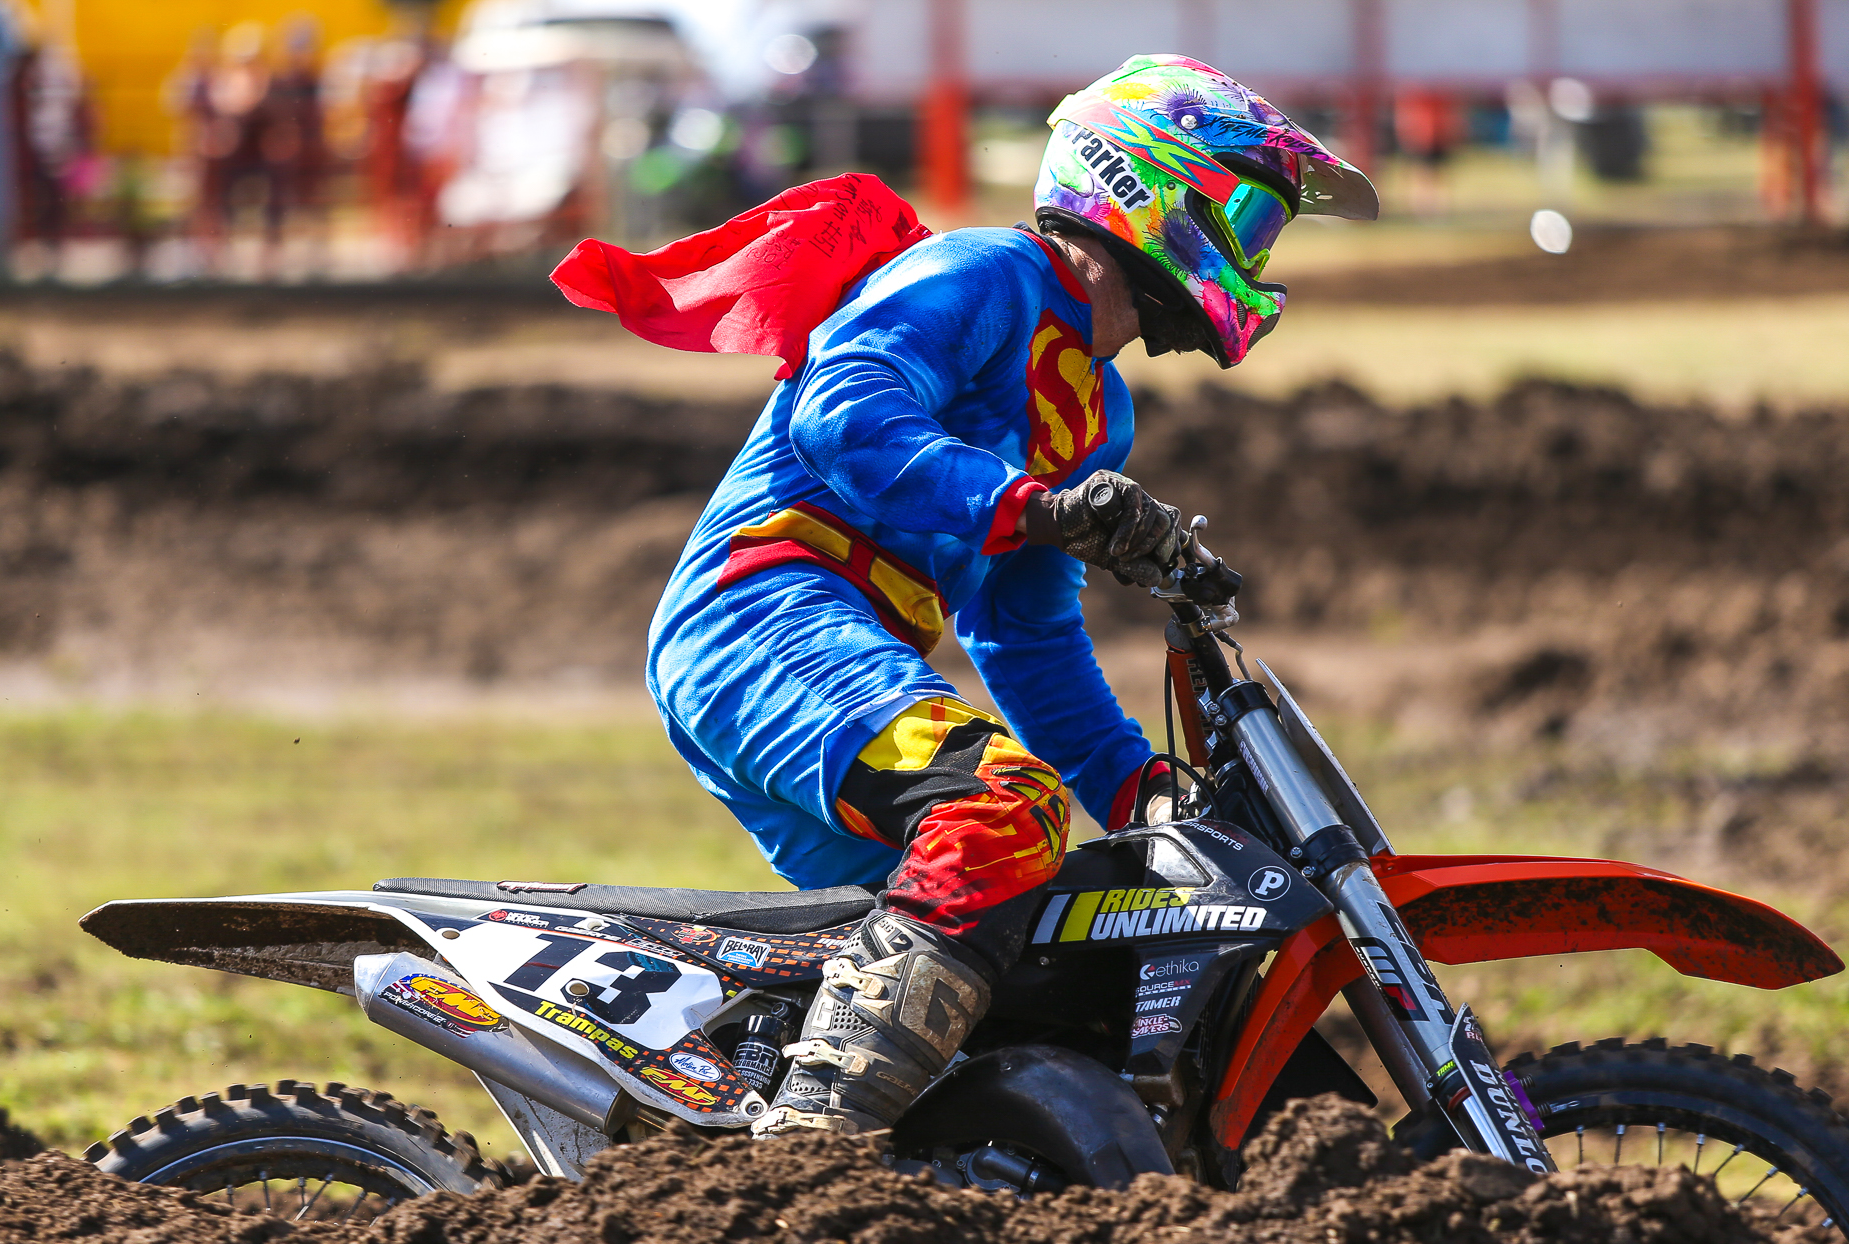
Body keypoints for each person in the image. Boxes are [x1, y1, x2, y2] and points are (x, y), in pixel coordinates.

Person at [555, 55, 1377, 1139]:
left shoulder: (1099, 410)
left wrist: (1144, 797)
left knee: (1039, 938)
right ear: (1144, 184)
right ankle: (801, 1160)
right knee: (1004, 811)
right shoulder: (984, 273)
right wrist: (1027, 504)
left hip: (830, 655)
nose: (1257, 254)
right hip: (759, 615)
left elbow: (1023, 636)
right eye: (1246, 217)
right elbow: (841, 416)